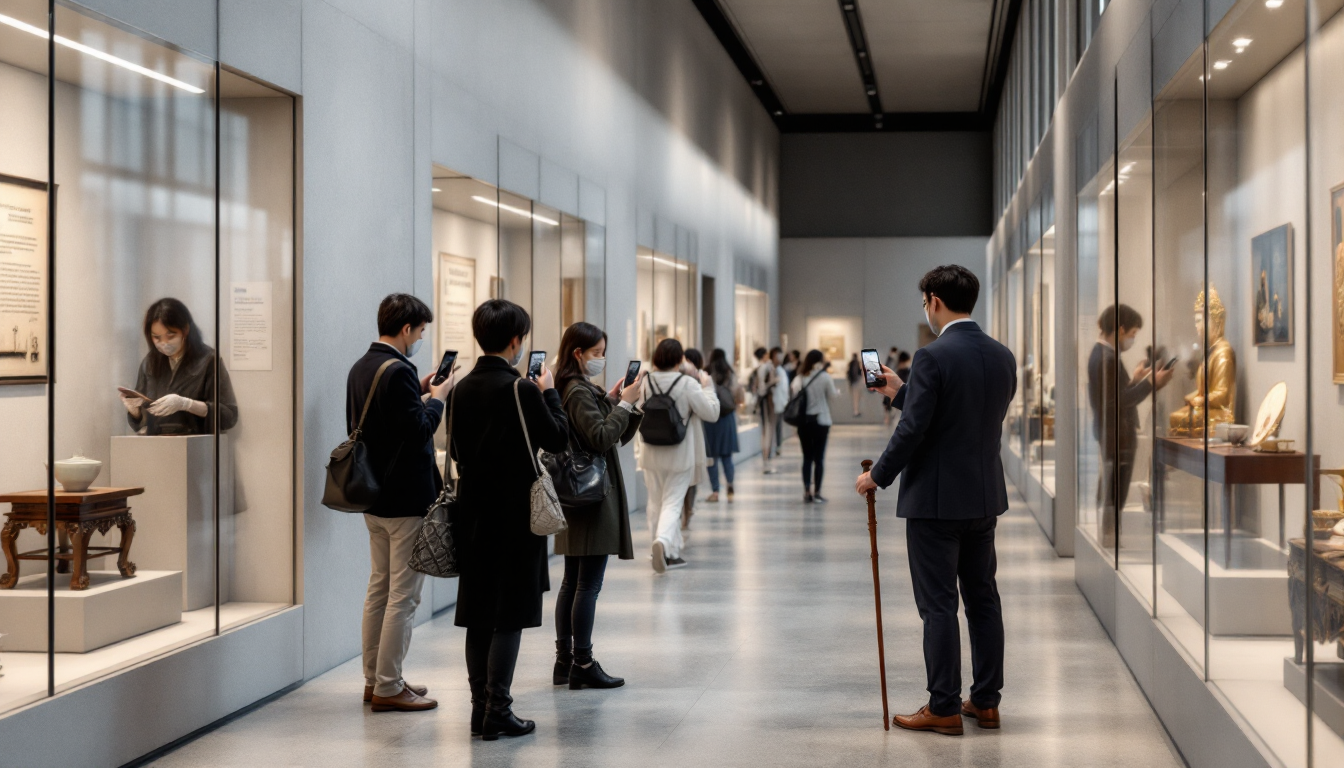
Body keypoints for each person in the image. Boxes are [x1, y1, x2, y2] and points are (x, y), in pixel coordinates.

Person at [854, 265, 1016, 736]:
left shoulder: (932, 356)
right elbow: (959, 417)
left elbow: (917, 429)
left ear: (934, 300)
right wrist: (903, 393)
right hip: (983, 495)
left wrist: (877, 477)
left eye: (925, 301)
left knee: (939, 605)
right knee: (983, 599)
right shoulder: (1001, 356)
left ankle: (943, 705)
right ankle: (986, 701)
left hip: (935, 503)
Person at [451, 299, 570, 740]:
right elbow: (556, 437)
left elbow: (459, 452)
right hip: (514, 511)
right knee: (510, 613)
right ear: (516, 340)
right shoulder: (520, 389)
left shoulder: (461, 388)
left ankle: (479, 708)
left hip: (473, 510)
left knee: (479, 610)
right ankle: (499, 709)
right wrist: (550, 391)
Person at [345, 293, 452, 714]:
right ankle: (390, 685)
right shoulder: (399, 371)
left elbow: (384, 422)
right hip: (407, 498)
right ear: (407, 329)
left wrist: (421, 390)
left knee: (379, 590)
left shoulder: (363, 366)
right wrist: (439, 397)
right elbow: (418, 430)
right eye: (421, 330)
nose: (421, 337)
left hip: (373, 497)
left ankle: (375, 679)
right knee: (403, 597)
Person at [551, 322, 643, 691]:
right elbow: (602, 436)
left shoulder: (578, 388)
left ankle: (565, 661)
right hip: (589, 496)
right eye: (597, 353)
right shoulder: (575, 390)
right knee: (586, 584)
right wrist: (623, 404)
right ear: (578, 354)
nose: (602, 359)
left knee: (573, 582)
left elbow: (613, 433)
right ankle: (582, 662)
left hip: (581, 492)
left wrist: (621, 402)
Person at [1088, 304, 1172, 547]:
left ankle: (1110, 535)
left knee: (1113, 486)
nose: (1133, 339)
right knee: (1116, 489)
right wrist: (1151, 384)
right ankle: (1110, 537)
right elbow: (1119, 401)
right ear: (1120, 329)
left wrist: (1136, 379)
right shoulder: (1108, 358)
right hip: (1118, 433)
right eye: (1133, 333)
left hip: (1112, 431)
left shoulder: (1101, 354)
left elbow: (1115, 393)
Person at [640, 338, 719, 572]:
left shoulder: (645, 382)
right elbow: (712, 413)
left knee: (655, 501)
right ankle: (663, 543)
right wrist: (708, 387)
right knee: (673, 502)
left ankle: (669, 551)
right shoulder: (687, 384)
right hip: (679, 452)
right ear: (679, 360)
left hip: (650, 451)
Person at [122, 298, 239, 436]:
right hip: (156, 447)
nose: (164, 343)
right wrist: (135, 412)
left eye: (170, 336)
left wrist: (187, 404)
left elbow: (229, 416)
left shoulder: (208, 360)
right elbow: (140, 425)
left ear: (185, 330)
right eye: (157, 338)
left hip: (197, 447)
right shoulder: (149, 363)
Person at [791, 349, 838, 503]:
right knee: (819, 458)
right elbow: (832, 395)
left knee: (807, 457)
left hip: (804, 422)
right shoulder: (825, 377)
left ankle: (806, 491)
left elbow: (793, 392)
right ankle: (817, 491)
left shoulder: (800, 377)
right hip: (821, 421)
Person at [703, 348, 740, 502]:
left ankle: (716, 491)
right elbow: (737, 394)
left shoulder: (706, 372)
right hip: (727, 418)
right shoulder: (730, 372)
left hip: (711, 417)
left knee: (712, 457)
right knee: (727, 456)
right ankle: (730, 485)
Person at [680, 348, 710, 527]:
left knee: (684, 474)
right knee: (691, 473)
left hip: (684, 427)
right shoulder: (700, 378)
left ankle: (686, 510)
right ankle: (688, 510)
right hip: (694, 428)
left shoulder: (682, 376)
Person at [750, 347, 780, 474]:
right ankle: (766, 460)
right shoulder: (767, 367)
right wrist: (775, 381)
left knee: (765, 430)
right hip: (767, 400)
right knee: (768, 430)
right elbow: (765, 385)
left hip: (763, 400)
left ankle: (766, 460)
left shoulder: (759, 368)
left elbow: (756, 386)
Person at [769, 347, 789, 453]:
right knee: (773, 425)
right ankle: (772, 447)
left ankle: (778, 445)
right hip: (773, 401)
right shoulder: (771, 369)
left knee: (778, 425)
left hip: (780, 401)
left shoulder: (780, 370)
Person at [846, 352, 864, 417]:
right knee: (857, 397)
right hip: (857, 382)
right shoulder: (857, 363)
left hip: (853, 382)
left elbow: (848, 373)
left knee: (855, 397)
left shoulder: (851, 363)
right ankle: (856, 411)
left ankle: (855, 411)